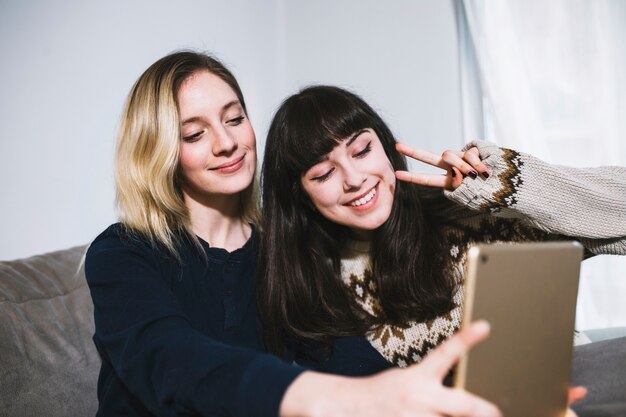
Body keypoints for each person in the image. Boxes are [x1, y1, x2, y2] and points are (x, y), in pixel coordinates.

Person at [85, 51, 503, 417]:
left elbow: (352, 365)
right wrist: (328, 398)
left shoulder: (285, 253)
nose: (227, 142)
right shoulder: (123, 251)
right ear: (159, 151)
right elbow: (170, 363)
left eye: (235, 119)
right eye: (195, 133)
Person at [258, 85, 626, 380]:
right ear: (300, 197)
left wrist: (504, 185)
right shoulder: (313, 289)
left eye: (362, 150)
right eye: (323, 174)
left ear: (386, 147)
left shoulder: (476, 215)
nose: (354, 180)